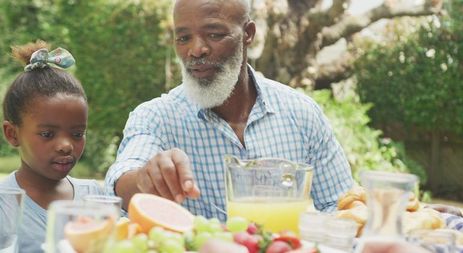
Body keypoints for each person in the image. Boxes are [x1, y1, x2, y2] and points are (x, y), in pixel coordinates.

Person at [105, 0, 353, 220]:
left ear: (248, 33)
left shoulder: (301, 114)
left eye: (214, 34)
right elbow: (122, 180)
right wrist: (146, 179)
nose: (196, 50)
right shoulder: (156, 117)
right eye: (183, 38)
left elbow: (340, 204)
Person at [0, 41, 103, 253]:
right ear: (12, 134)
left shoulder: (94, 198)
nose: (66, 146)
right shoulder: (4, 204)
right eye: (47, 134)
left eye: (77, 134)